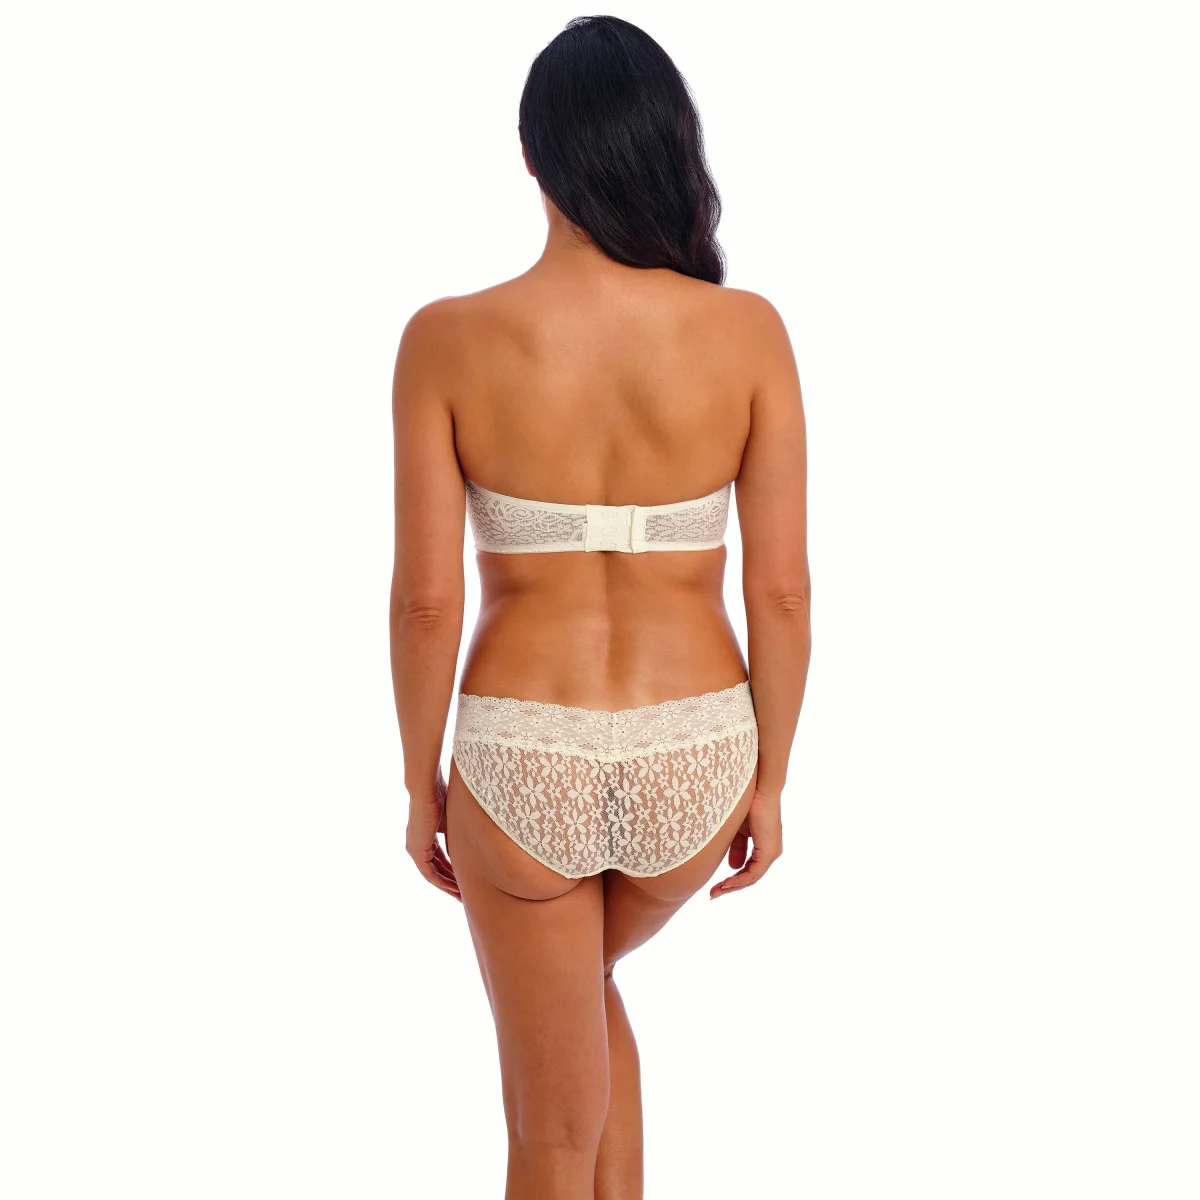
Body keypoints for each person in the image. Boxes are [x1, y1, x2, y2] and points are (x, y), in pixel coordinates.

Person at [389, 16, 810, 1199]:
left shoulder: (448, 340)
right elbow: (780, 589)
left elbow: (426, 601)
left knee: (547, 1132)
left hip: (524, 754)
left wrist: (419, 784)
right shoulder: (747, 332)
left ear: (532, 153)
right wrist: (772, 780)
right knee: (583, 1007)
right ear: (669, 144)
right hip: (698, 749)